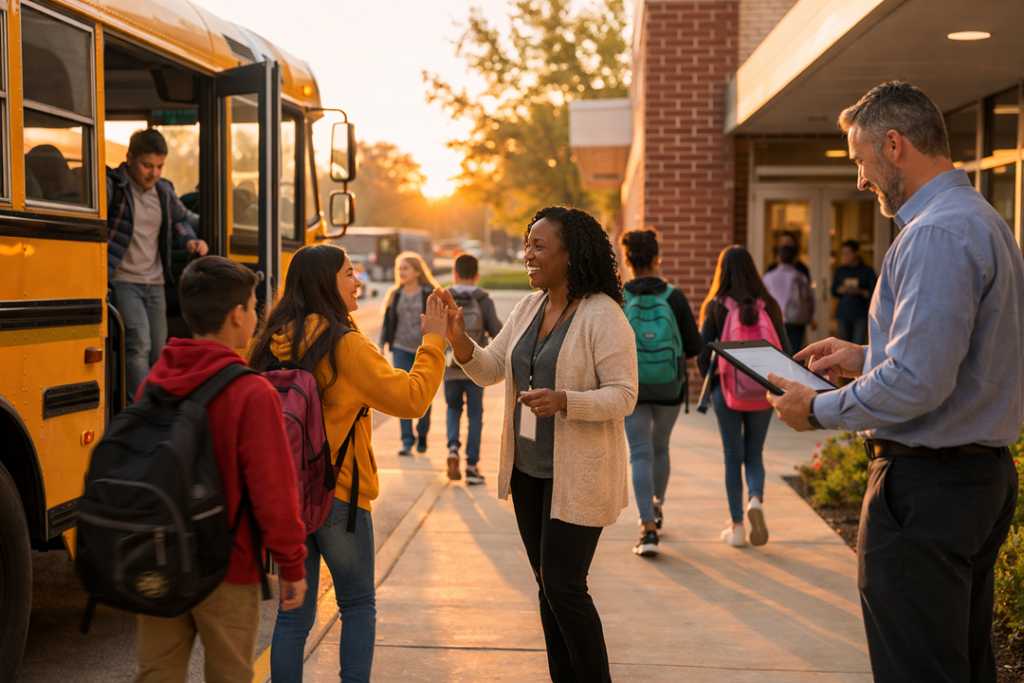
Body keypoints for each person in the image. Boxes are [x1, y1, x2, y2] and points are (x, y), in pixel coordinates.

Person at [767, 82, 1024, 683]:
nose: (861, 179)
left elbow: (918, 384)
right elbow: (954, 357)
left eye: (860, 161)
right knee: (956, 662)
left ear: (893, 143)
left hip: (927, 488)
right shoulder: (981, 220)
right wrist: (867, 354)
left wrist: (819, 408)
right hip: (974, 479)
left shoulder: (936, 233)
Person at [441, 206, 637, 683]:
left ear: (570, 255)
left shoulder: (602, 315)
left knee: (565, 586)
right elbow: (490, 368)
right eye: (526, 244)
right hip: (529, 470)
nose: (527, 254)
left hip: (580, 476)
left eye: (538, 246)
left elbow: (625, 394)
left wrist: (565, 400)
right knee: (547, 587)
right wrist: (459, 339)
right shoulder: (528, 307)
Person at [250, 244, 447, 683]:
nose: (358, 282)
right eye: (349, 274)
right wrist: (433, 341)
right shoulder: (344, 345)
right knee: (357, 604)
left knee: (293, 616)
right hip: (340, 494)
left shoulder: (266, 342)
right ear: (326, 284)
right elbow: (412, 399)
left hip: (286, 496)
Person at [134, 256, 307, 683]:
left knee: (156, 674)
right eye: (253, 305)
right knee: (230, 675)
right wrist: (292, 565)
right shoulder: (250, 391)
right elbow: (274, 493)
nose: (256, 314)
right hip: (228, 566)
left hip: (160, 560)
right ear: (238, 315)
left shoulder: (156, 379)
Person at [697, 246, 791, 548]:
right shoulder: (770, 305)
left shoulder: (715, 306)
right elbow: (786, 353)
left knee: (731, 456)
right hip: (762, 390)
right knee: (754, 453)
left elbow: (702, 356)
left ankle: (737, 527)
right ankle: (755, 500)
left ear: (722, 271)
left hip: (727, 390)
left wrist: (713, 385)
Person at [107, 128, 209, 400]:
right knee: (138, 342)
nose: (153, 173)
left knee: (158, 350)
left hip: (155, 282)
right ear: (129, 158)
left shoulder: (163, 191)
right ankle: (139, 409)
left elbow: (179, 220)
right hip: (123, 279)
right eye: (147, 165)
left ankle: (157, 406)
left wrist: (189, 241)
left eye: (159, 166)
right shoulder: (112, 187)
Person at [619, 227, 702, 557]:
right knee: (660, 447)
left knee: (640, 452)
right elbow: (693, 346)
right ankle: (657, 506)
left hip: (632, 386)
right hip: (669, 386)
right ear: (657, 259)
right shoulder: (675, 297)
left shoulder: (619, 296)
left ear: (628, 261)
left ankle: (647, 527)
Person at [444, 253, 503, 484]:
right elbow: (497, 331)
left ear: (454, 274)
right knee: (475, 413)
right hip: (476, 367)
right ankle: (471, 465)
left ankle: (452, 449)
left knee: (453, 408)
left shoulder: (445, 297)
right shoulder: (483, 299)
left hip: (450, 366)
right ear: (477, 275)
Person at [380, 252, 441, 455]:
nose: (401, 272)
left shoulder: (429, 293)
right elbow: (388, 320)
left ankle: (422, 433)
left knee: (424, 392)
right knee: (402, 394)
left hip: (423, 349)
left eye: (405, 268)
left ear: (417, 271)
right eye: (399, 269)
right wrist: (382, 343)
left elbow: (439, 320)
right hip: (400, 348)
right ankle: (407, 439)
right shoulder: (395, 293)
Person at [763, 242, 815, 353]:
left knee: (776, 352)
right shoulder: (800, 276)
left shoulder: (768, 277)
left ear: (778, 258)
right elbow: (810, 299)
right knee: (794, 354)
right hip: (796, 319)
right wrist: (812, 316)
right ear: (795, 259)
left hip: (774, 319)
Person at [830, 240, 876, 345]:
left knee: (858, 345)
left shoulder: (866, 270)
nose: (845, 257)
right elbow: (833, 291)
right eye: (843, 254)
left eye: (848, 254)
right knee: (843, 345)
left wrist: (860, 291)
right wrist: (840, 290)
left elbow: (874, 293)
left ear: (856, 253)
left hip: (860, 313)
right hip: (843, 313)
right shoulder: (840, 270)